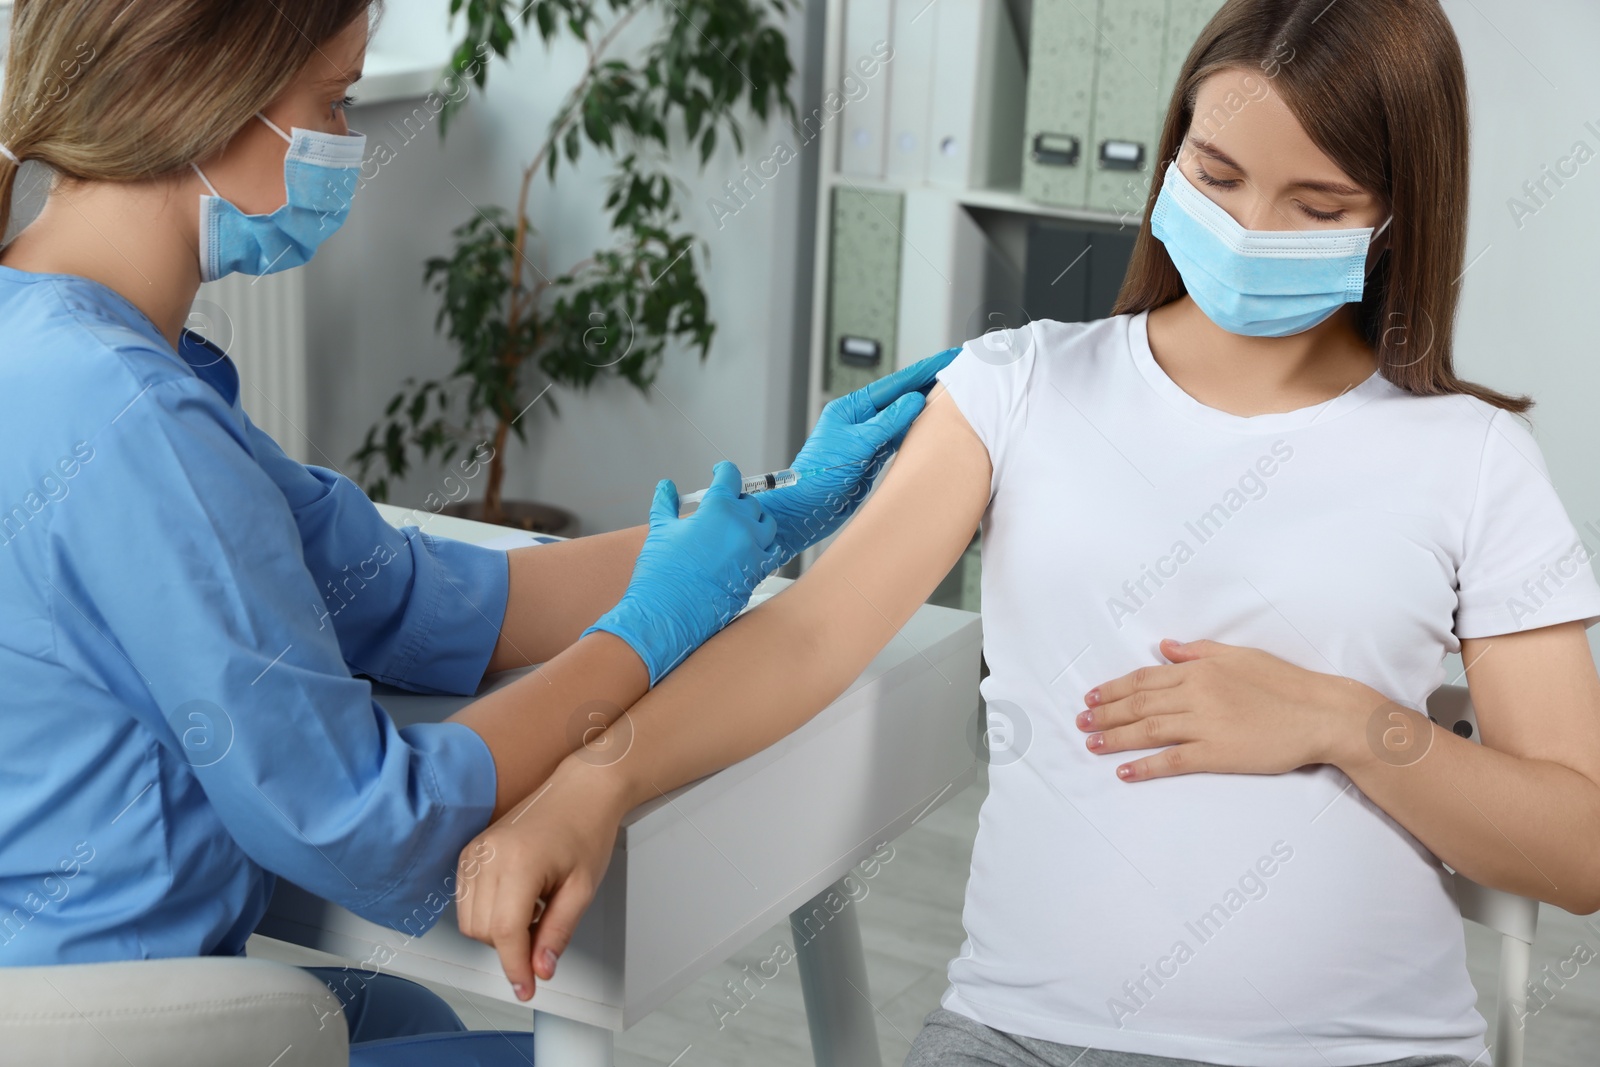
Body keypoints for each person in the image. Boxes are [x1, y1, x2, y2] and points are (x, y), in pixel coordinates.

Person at [460, 1, 1600, 1065]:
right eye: (1216, 174)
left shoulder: (1469, 454)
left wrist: (1347, 722)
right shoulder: (1019, 386)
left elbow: (1579, 845)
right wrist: (589, 782)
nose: (1250, 229)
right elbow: (808, 637)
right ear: (1170, 158)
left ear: (1399, 213)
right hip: (1022, 1037)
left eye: (1316, 207)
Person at [0, 1, 949, 1063]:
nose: (348, 144)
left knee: (410, 1022)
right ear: (202, 98)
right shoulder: (136, 421)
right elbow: (374, 828)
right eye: (334, 101)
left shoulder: (70, 349)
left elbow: (393, 589)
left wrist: (771, 513)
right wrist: (642, 636)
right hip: (106, 1023)